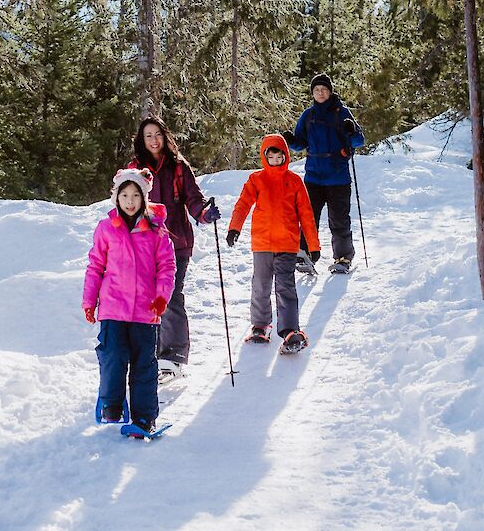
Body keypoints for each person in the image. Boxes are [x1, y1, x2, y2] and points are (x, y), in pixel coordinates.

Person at [82, 168, 176, 435]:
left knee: (144, 364)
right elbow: (95, 266)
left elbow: (167, 266)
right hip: (112, 308)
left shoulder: (156, 231)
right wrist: (90, 300)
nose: (130, 201)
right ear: (117, 198)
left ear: (144, 198)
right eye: (125, 195)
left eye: (136, 195)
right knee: (113, 356)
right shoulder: (106, 229)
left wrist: (161, 297)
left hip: (146, 311)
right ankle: (111, 404)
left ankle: (144, 417)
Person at [128, 117, 220, 384]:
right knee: (148, 298)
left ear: (164, 136)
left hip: (176, 241)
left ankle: (174, 357)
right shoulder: (135, 169)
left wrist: (203, 214)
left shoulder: (178, 166)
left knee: (169, 295)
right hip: (145, 244)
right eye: (148, 136)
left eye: (157, 134)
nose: (154, 140)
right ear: (141, 140)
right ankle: (152, 355)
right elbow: (125, 202)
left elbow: (193, 199)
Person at [225, 134, 320, 354]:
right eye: (271, 156)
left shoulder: (294, 181)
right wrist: (234, 227)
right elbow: (242, 205)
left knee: (285, 287)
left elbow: (306, 214)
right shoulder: (256, 180)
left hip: (287, 244)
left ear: (285, 156)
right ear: (264, 157)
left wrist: (313, 246)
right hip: (262, 243)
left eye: (280, 156)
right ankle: (260, 325)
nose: (276, 160)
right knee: (261, 285)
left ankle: (290, 330)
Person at [283, 73, 365, 275]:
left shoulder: (342, 113)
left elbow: (359, 141)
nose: (320, 93)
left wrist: (351, 131)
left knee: (339, 219)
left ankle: (343, 258)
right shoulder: (308, 116)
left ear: (330, 91)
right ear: (312, 93)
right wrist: (291, 140)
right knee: (308, 218)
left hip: (338, 177)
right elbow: (300, 144)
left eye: (323, 89)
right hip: (313, 177)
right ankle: (306, 255)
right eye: (316, 90)